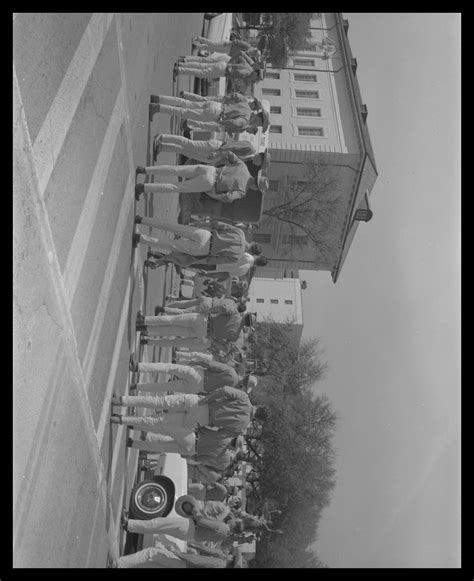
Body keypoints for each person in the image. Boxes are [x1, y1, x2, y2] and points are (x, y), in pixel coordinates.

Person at [111, 386, 268, 437]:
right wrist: (205, 426)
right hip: (202, 421)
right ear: (258, 420)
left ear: (259, 406)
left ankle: (121, 400)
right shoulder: (241, 428)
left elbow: (225, 390)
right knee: (158, 422)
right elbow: (220, 434)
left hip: (201, 404)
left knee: (158, 402)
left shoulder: (244, 398)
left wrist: (208, 398)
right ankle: (121, 420)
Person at [132, 217, 263, 270]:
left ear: (253, 243)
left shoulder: (240, 233)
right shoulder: (236, 257)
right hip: (205, 250)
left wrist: (202, 224)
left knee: (173, 227)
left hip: (206, 234)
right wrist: (197, 261)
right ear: (252, 253)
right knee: (170, 245)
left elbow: (218, 225)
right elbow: (214, 261)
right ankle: (141, 238)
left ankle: (142, 219)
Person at [134, 150, 268, 202]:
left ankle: (144, 170)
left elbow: (230, 154)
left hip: (210, 169)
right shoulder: (242, 191)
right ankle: (143, 187)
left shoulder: (243, 167)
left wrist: (218, 157)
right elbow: (226, 197)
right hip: (210, 183)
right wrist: (212, 194)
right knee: (176, 187)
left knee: (175, 169)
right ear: (256, 188)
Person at [148, 92, 270, 135]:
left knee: (187, 103)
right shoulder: (246, 120)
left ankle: (159, 98)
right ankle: (158, 108)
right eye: (260, 124)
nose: (258, 125)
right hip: (216, 114)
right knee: (184, 112)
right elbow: (234, 122)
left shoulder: (247, 106)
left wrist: (225, 100)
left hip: (218, 105)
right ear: (259, 120)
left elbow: (236, 95)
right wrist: (222, 122)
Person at [111, 540, 244, 568]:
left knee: (152, 553)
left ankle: (119, 564)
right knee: (153, 565)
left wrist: (178, 553)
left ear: (232, 560)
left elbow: (197, 561)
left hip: (184, 565)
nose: (231, 554)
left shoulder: (219, 563)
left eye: (233, 555)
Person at [152, 133, 256, 164]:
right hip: (218, 149)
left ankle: (162, 148)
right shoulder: (250, 149)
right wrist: (218, 153)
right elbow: (231, 147)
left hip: (218, 157)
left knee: (185, 152)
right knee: (189, 144)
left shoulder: (248, 159)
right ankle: (162, 137)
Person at [127, 359, 202, 394]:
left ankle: (137, 367)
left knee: (167, 368)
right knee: (164, 387)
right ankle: (135, 387)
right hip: (197, 389)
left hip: (198, 375)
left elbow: (210, 365)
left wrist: (197, 362)